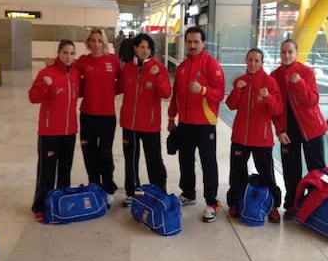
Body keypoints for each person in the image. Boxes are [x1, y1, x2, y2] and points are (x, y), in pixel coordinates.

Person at [168, 26, 225, 223]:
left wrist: (202, 90)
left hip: (205, 123)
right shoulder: (182, 67)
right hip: (184, 123)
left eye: (196, 42)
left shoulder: (212, 65)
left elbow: (220, 94)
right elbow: (176, 95)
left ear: (203, 44)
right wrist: (170, 118)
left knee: (208, 162)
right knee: (185, 159)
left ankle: (212, 201)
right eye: (189, 42)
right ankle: (189, 193)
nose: (192, 45)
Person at [271, 38, 328, 219]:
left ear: (296, 54)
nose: (287, 55)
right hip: (289, 130)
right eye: (283, 52)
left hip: (311, 128)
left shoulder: (306, 72)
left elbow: (312, 101)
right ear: (280, 54)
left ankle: (317, 205)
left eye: (290, 52)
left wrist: (299, 83)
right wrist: (280, 130)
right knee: (290, 169)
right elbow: (275, 109)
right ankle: (292, 205)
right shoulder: (275, 76)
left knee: (317, 169)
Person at [225, 48, 283, 223]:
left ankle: (273, 205)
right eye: (250, 60)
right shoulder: (239, 81)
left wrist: (268, 98)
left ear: (262, 63)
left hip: (262, 138)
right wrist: (238, 91)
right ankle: (235, 202)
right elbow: (230, 105)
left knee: (267, 173)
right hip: (240, 137)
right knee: (237, 173)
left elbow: (278, 109)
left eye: (257, 61)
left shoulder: (270, 82)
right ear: (246, 61)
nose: (253, 63)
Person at [29, 40, 80, 222]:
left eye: (72, 53)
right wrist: (44, 84)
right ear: (59, 53)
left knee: (65, 170)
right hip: (49, 132)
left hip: (70, 132)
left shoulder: (75, 73)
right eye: (65, 52)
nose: (68, 56)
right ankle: (40, 206)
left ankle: (61, 202)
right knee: (47, 172)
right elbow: (33, 98)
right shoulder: (46, 72)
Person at [119, 33, 172, 207]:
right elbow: (117, 87)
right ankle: (131, 190)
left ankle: (159, 190)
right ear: (135, 48)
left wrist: (157, 77)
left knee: (154, 159)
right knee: (131, 159)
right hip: (130, 124)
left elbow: (166, 94)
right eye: (141, 47)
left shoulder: (158, 68)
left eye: (148, 47)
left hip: (150, 125)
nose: (145, 50)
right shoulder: (127, 68)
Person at [75, 27, 122, 208]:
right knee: (89, 154)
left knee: (104, 153)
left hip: (107, 116)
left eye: (99, 40)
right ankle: (94, 186)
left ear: (104, 42)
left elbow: (122, 82)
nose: (96, 44)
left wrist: (109, 93)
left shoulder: (113, 60)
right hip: (87, 115)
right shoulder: (83, 61)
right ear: (88, 43)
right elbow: (68, 69)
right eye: (93, 41)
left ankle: (108, 188)